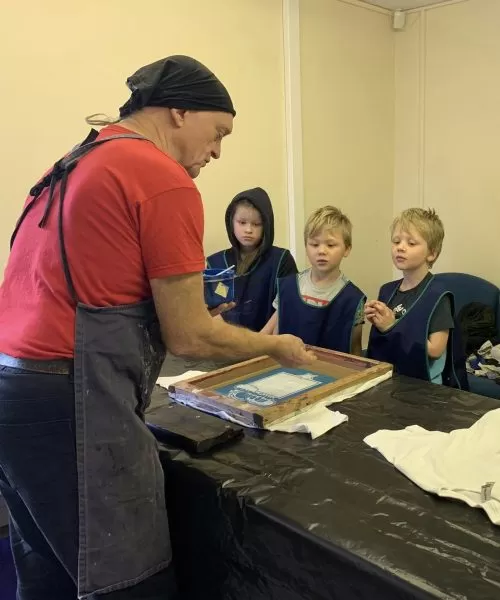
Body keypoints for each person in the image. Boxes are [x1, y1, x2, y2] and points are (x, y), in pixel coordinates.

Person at [0, 55, 314, 600]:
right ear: (178, 111)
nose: (217, 150)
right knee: (125, 574)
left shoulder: (75, 162)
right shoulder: (160, 176)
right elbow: (191, 337)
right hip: (66, 397)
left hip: (11, 385)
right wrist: (275, 345)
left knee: (51, 568)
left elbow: (80, 286)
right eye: (218, 132)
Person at [365, 207, 467, 387]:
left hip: (422, 387)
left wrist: (391, 327)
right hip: (388, 379)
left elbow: (436, 349)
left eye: (411, 243)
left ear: (432, 253)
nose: (400, 248)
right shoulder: (387, 291)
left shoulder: (438, 296)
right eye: (396, 242)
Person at [262, 206, 366, 355]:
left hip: (333, 374)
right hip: (286, 372)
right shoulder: (287, 287)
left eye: (330, 245)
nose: (321, 251)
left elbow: (355, 349)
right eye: (314, 244)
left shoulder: (353, 300)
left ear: (347, 249)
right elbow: (270, 336)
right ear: (306, 246)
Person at [206, 187, 297, 331]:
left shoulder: (281, 260)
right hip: (225, 345)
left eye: (256, 224)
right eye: (242, 222)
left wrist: (259, 342)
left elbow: (287, 305)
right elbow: (209, 311)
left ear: (266, 225)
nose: (248, 230)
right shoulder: (214, 264)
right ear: (231, 222)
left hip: (268, 346)